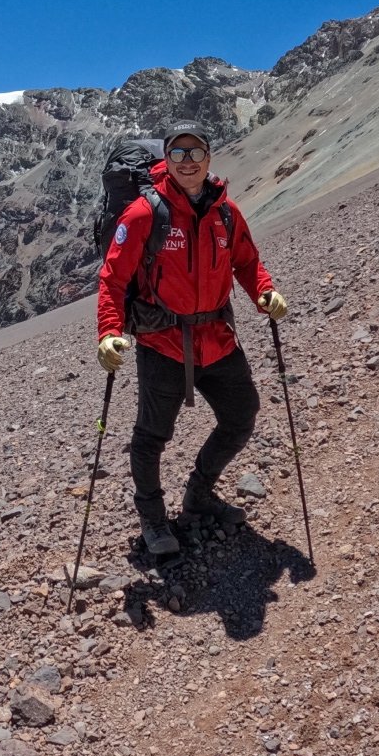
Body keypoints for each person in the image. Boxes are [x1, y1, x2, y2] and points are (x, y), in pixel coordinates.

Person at [95, 121, 288, 556]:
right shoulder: (145, 212)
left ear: (208, 157)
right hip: (162, 342)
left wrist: (264, 292)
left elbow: (246, 261)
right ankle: (152, 517)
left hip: (217, 338)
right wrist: (109, 332)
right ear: (167, 158)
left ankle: (198, 495)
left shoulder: (226, 211)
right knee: (151, 436)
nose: (187, 161)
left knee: (242, 416)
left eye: (195, 152)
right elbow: (112, 278)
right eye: (178, 153)